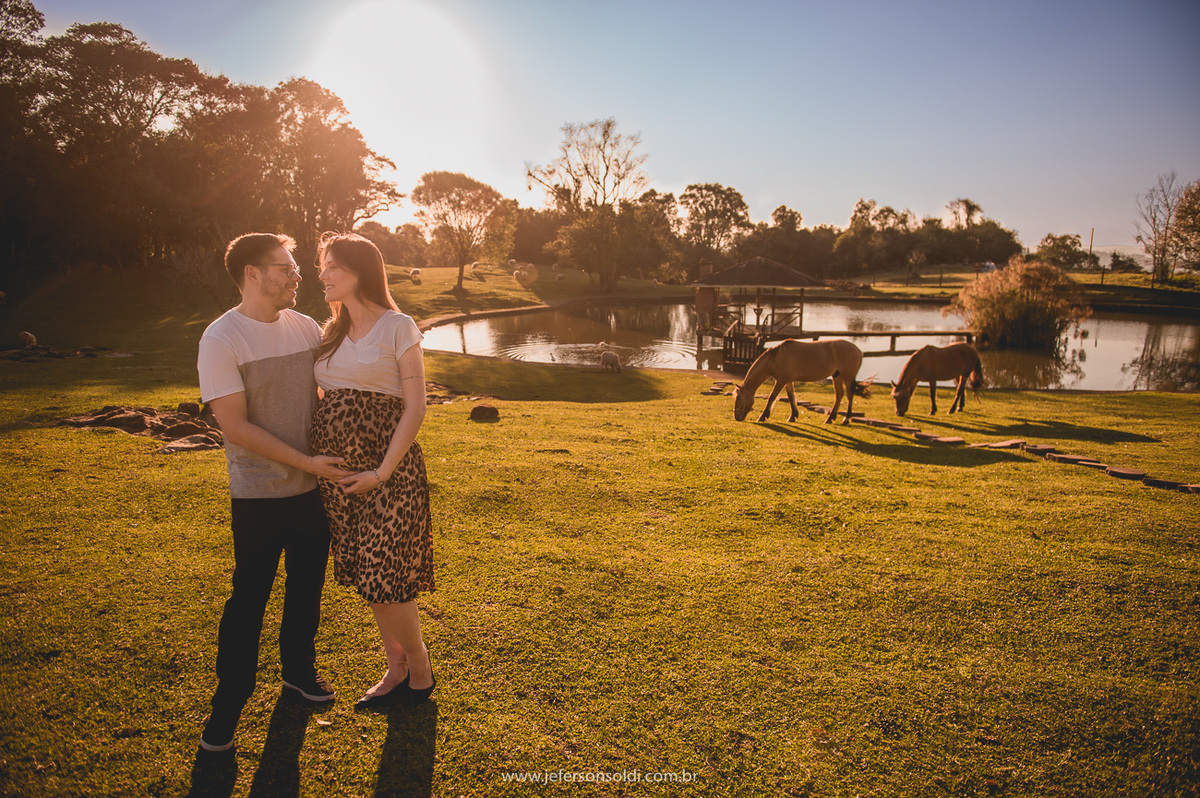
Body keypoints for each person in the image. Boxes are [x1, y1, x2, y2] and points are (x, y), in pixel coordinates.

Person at [196, 232, 355, 753]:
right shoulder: (221, 338)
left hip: (313, 493)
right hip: (259, 496)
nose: (295, 277)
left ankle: (298, 675)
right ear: (252, 274)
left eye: (296, 269)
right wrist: (308, 462)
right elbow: (235, 427)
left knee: (306, 590)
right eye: (285, 268)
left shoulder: (305, 326)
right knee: (249, 600)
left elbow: (326, 391)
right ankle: (226, 710)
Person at [309, 231, 436, 709]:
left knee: (388, 575)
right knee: (369, 578)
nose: (322, 276)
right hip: (340, 481)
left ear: (359, 271)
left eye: (331, 267)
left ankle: (420, 669)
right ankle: (395, 668)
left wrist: (380, 472)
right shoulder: (329, 332)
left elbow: (416, 407)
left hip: (389, 476)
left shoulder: (398, 327)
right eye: (322, 267)